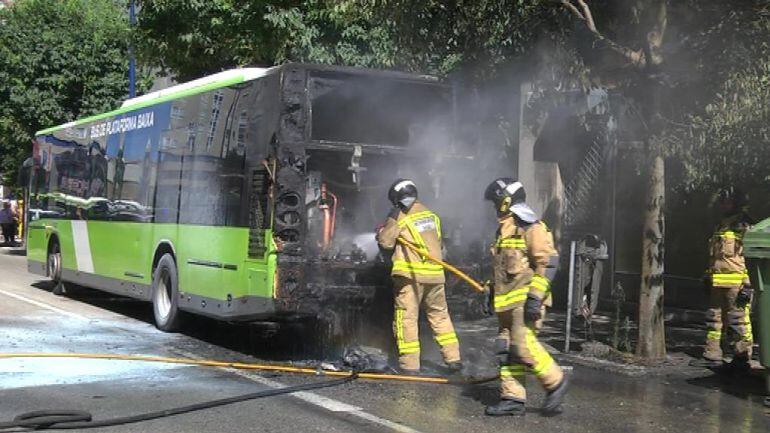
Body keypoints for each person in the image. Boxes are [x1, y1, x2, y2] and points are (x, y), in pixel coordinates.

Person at [483, 178, 568, 416]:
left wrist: (535, 297)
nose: (494, 207)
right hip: (506, 304)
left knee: (522, 347)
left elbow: (548, 262)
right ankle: (512, 398)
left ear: (506, 202)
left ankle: (556, 381)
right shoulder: (503, 231)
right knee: (505, 348)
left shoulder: (530, 226)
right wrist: (489, 292)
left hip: (523, 302)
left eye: (496, 202)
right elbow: (500, 268)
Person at [376, 178, 462, 374]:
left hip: (411, 277)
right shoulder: (432, 216)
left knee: (406, 318)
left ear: (396, 198)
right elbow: (438, 244)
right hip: (436, 275)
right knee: (440, 316)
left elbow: (387, 243)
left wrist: (382, 231)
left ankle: (409, 365)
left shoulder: (399, 214)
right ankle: (453, 358)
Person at [701, 187, 754, 371]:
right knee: (714, 319)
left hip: (737, 284)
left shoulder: (744, 225)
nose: (724, 205)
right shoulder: (720, 225)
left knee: (739, 321)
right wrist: (708, 276)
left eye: (728, 201)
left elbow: (750, 256)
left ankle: (741, 357)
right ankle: (712, 353)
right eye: (722, 201)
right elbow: (714, 256)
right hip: (717, 282)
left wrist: (747, 285)